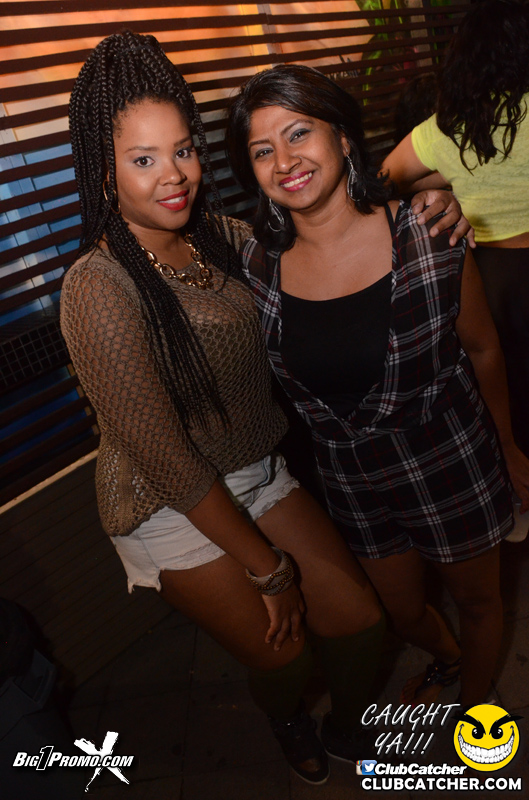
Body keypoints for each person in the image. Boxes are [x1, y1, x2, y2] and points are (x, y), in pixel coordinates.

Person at [61, 31, 388, 785]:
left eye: (182, 151)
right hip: (165, 501)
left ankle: (346, 728)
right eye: (144, 160)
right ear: (105, 172)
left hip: (254, 470)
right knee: (287, 652)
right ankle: (285, 714)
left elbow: (326, 226)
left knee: (362, 622)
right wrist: (269, 571)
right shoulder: (98, 286)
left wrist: (417, 205)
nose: (174, 175)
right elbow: (168, 461)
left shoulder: (220, 237)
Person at [225, 63, 529, 709]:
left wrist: (507, 447)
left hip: (448, 456)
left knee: (479, 603)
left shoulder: (427, 233)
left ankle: (476, 711)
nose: (285, 160)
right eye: (262, 149)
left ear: (341, 138)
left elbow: (482, 348)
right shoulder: (256, 264)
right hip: (352, 478)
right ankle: (448, 658)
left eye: (298, 133)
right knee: (400, 612)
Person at [383, 0, 529, 544]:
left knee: (508, 389)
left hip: (490, 278)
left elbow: (381, 181)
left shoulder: (451, 126)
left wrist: (444, 186)